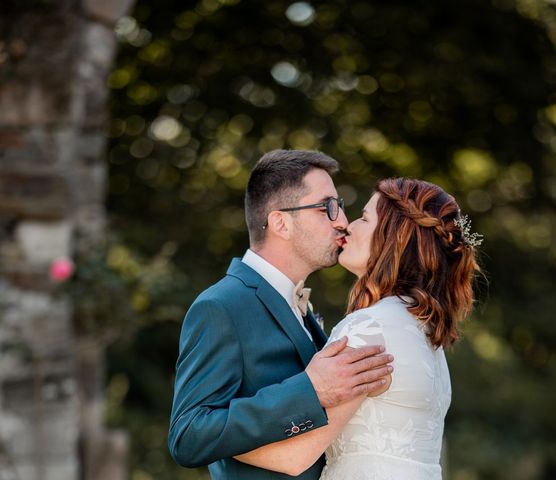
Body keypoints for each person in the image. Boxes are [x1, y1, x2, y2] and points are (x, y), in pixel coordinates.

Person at [234, 177, 481, 479]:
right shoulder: (423, 330)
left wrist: (211, 440)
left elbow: (295, 456)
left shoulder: (371, 326)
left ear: (394, 237)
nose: (348, 226)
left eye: (364, 218)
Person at [168, 149, 395, 480]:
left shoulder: (300, 304)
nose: (342, 222)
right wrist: (309, 389)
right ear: (280, 223)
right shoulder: (221, 307)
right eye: (328, 208)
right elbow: (187, 436)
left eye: (341, 207)